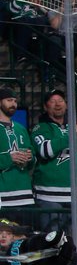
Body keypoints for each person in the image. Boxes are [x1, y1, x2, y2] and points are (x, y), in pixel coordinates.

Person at [31, 91, 77, 227]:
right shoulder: (40, 128)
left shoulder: (75, 128)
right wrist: (71, 134)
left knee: (72, 243)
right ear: (45, 106)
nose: (57, 104)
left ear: (66, 105)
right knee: (52, 240)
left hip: (75, 195)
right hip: (48, 196)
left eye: (61, 100)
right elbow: (45, 151)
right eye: (53, 101)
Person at [0, 87, 35, 225]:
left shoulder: (21, 128)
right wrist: (10, 158)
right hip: (3, 194)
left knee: (24, 237)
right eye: (9, 100)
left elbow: (33, 157)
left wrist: (30, 158)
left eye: (15, 101)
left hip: (25, 195)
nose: (13, 104)